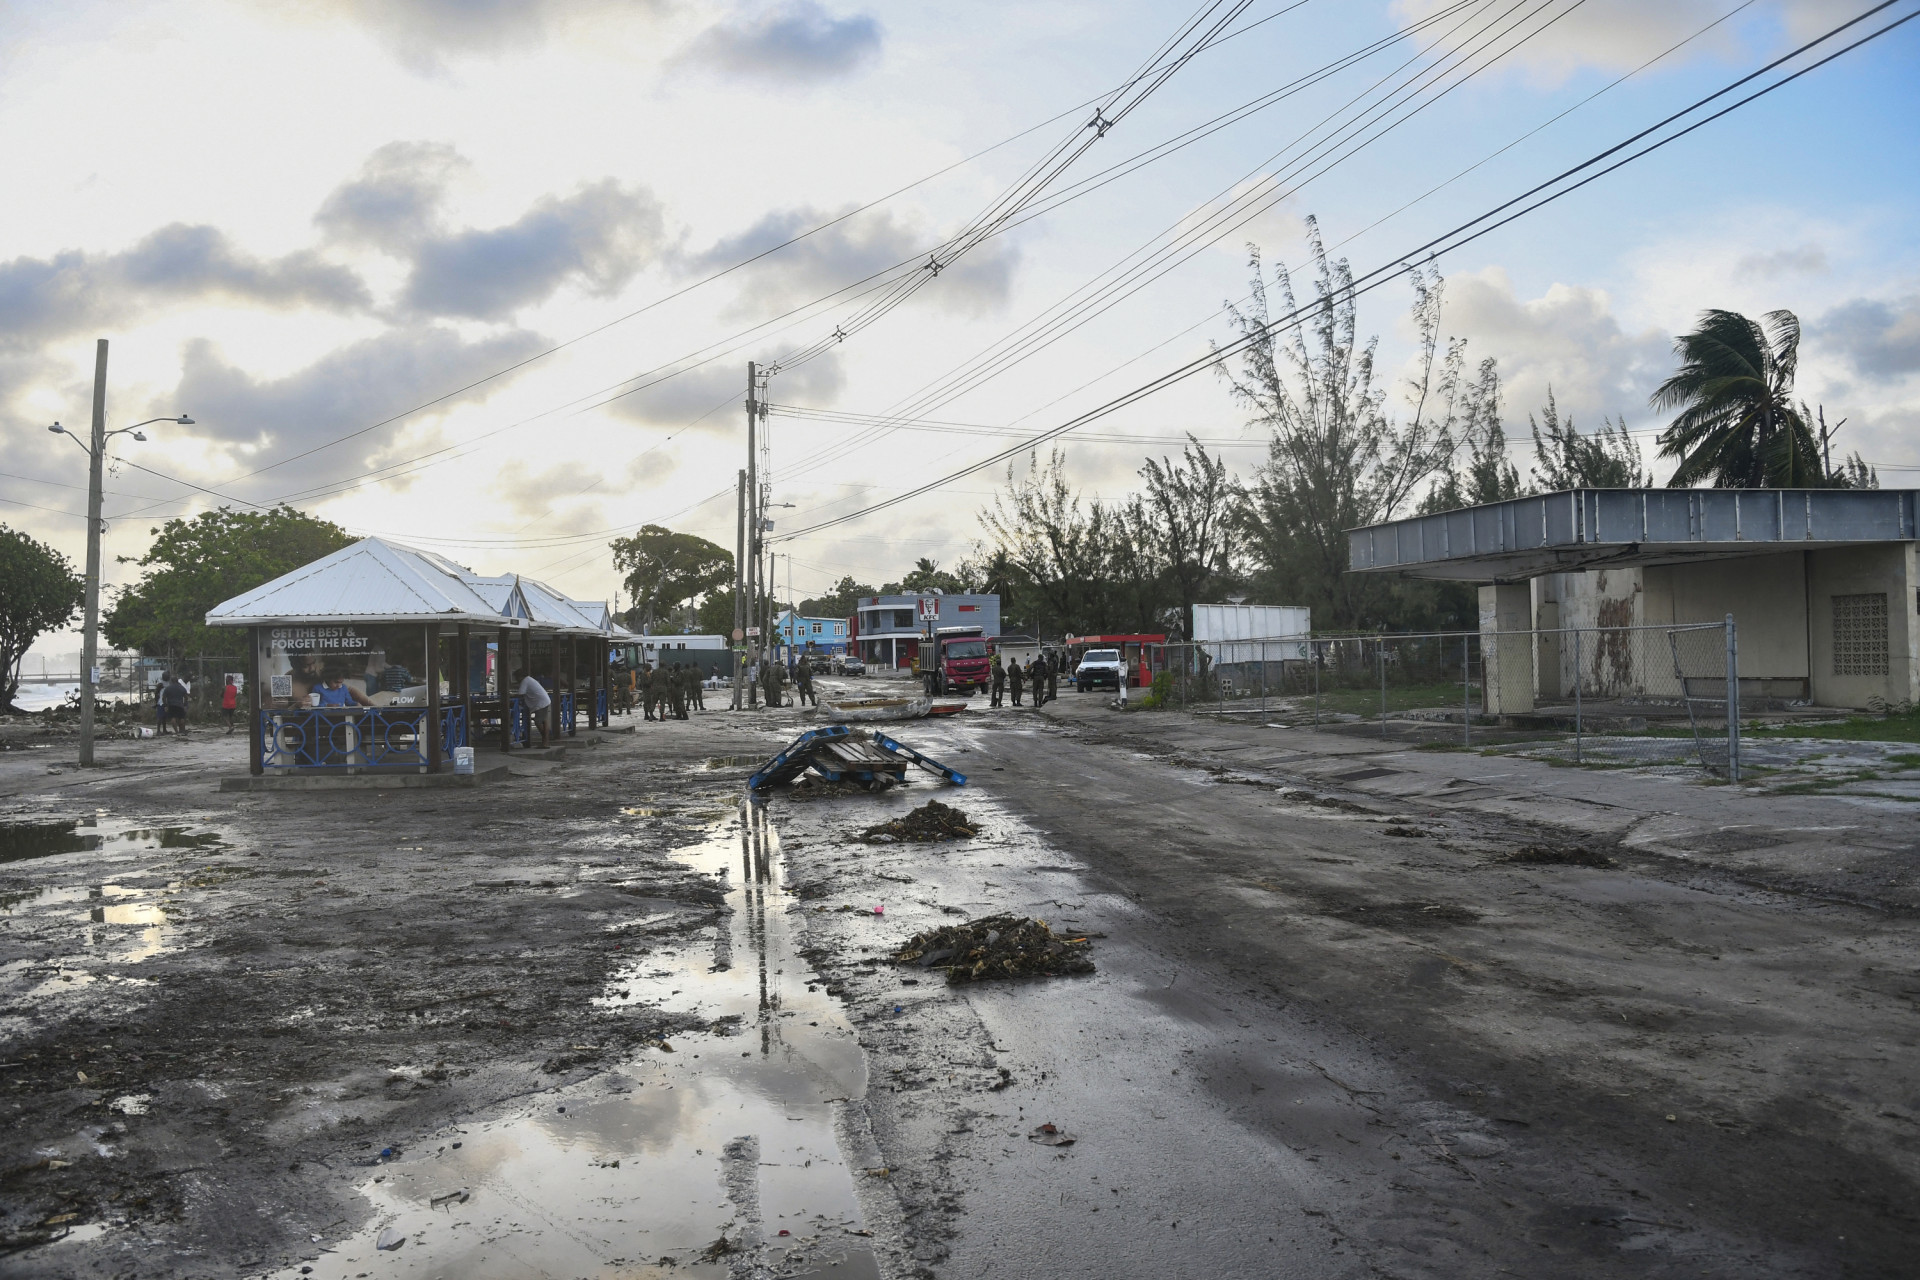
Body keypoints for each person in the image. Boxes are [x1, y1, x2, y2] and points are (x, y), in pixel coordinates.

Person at [513, 667, 552, 747]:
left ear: (520, 676)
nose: (516, 679)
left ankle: (545, 740)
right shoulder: (529, 679)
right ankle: (546, 742)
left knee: (538, 721)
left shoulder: (525, 681)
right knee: (544, 721)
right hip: (544, 701)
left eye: (516, 677)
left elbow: (520, 694)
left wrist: (509, 696)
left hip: (541, 703)